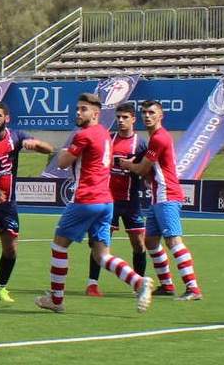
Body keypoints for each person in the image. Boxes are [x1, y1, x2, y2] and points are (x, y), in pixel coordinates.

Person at [34, 93, 154, 313]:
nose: (78, 113)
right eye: (78, 109)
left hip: (85, 199)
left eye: (83, 109)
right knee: (102, 255)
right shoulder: (104, 134)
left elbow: (61, 163)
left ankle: (57, 300)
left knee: (59, 246)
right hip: (106, 201)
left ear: (96, 113)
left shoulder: (84, 135)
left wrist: (60, 149)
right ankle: (139, 282)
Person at [0, 101, 54, 303]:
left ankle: (0, 288)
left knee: (11, 249)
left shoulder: (17, 137)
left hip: (8, 203)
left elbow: (49, 149)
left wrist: (37, 145)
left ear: (7, 118)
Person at [119, 100, 202, 301]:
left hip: (167, 195)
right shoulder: (155, 138)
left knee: (173, 240)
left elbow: (141, 169)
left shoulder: (159, 138)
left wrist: (126, 164)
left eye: (152, 112)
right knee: (150, 241)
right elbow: (148, 171)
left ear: (160, 116)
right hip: (158, 196)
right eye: (145, 112)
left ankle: (193, 288)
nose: (147, 116)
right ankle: (167, 285)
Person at [85, 103, 148, 297]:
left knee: (138, 243)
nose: (121, 121)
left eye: (125, 117)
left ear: (133, 119)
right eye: (118, 117)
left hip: (131, 201)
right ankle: (92, 284)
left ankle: (138, 284)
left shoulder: (141, 143)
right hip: (108, 201)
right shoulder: (108, 140)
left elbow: (147, 168)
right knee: (100, 243)